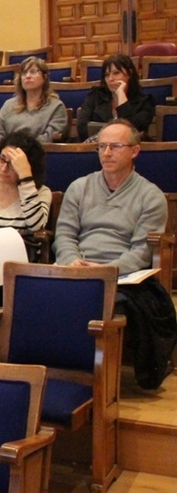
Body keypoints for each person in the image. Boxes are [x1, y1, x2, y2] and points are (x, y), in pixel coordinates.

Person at [53, 119, 171, 389]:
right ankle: (53, 374)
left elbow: (141, 251)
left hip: (122, 275)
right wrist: (71, 261)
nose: (106, 153)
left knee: (109, 302)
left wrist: (104, 271)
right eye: (102, 146)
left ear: (135, 151)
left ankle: (97, 383)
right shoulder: (79, 187)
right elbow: (65, 235)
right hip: (76, 267)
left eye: (115, 146)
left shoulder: (150, 196)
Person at [0, 57, 68, 144]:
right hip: (5, 153)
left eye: (33, 72)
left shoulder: (56, 106)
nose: (28, 76)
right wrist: (6, 148)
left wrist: (20, 148)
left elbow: (49, 138)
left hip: (35, 153)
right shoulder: (9, 104)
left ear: (44, 77)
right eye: (24, 73)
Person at [77, 54, 155, 141]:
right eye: (107, 75)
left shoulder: (145, 102)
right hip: (95, 148)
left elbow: (133, 131)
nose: (110, 79)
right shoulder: (95, 95)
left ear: (130, 74)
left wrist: (121, 94)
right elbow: (82, 128)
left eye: (116, 73)